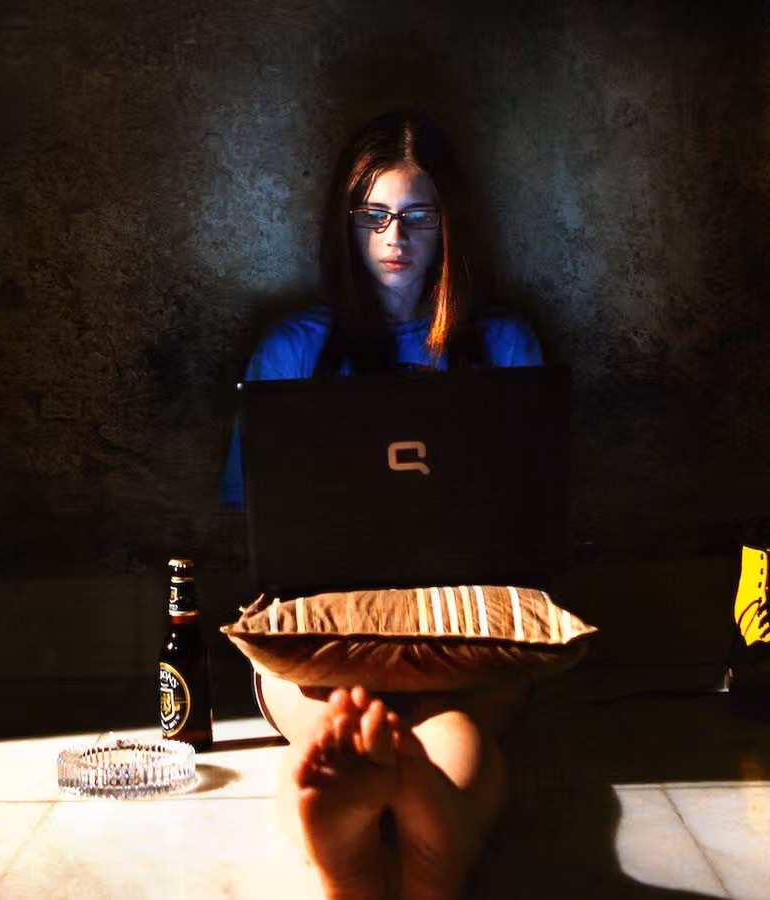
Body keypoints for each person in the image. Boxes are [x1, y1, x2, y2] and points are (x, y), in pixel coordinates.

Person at [222, 111, 542, 900]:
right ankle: (368, 847)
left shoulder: (504, 345)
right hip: (324, 624)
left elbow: (531, 511)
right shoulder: (292, 348)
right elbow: (256, 515)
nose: (393, 236)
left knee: (453, 724)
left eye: (416, 216)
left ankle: (427, 856)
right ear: (347, 222)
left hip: (464, 622)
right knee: (329, 722)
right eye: (373, 216)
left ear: (449, 222)